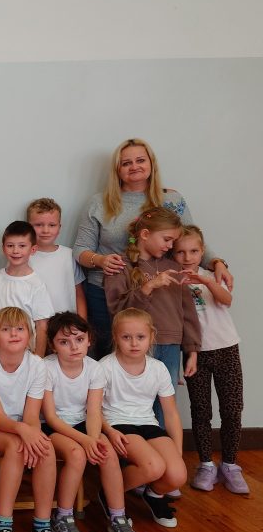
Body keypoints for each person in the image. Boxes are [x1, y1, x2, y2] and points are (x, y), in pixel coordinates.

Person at [73, 138, 231, 358]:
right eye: (126, 163)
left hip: (160, 295)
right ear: (117, 169)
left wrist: (216, 263)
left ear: (151, 164)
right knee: (108, 361)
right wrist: (100, 260)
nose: (134, 166)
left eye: (140, 160)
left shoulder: (171, 199)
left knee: (156, 363)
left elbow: (190, 239)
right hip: (107, 293)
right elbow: (80, 249)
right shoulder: (99, 202)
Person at [41, 312, 141, 532]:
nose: (73, 347)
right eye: (64, 342)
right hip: (53, 426)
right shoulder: (45, 368)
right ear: (53, 346)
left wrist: (94, 440)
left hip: (83, 423)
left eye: (79, 339)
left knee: (107, 452)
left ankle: (118, 518)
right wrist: (85, 441)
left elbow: (94, 411)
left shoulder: (95, 368)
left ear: (89, 340)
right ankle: (63, 517)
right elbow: (51, 418)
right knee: (76, 455)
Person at [0, 307, 66, 532]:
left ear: (30, 335)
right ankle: (3, 525)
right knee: (16, 447)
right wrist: (24, 432)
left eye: (20, 329)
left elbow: (32, 415)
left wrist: (32, 436)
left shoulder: (37, 365)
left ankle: (42, 525)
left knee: (45, 448)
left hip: (24, 424)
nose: (13, 334)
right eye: (6, 329)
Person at [104, 207, 200, 424]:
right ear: (145, 234)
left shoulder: (174, 266)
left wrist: (192, 349)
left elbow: (188, 312)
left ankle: (163, 442)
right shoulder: (120, 266)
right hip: (134, 346)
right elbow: (118, 312)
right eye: (166, 239)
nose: (170, 246)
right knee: (133, 403)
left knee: (165, 406)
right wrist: (148, 287)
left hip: (171, 346)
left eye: (173, 241)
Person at [173, 226, 248, 494]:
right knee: (201, 410)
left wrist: (206, 282)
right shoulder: (172, 282)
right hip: (195, 353)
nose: (187, 257)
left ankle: (230, 465)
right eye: (180, 252)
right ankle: (206, 465)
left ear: (202, 252)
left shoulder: (213, 276)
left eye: (194, 251)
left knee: (232, 408)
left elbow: (226, 300)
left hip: (226, 348)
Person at [100, 309, 188, 528]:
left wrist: (177, 450)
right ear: (115, 337)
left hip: (148, 424)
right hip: (118, 424)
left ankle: (154, 494)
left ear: (151, 337)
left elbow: (170, 413)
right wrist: (109, 431)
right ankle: (110, 492)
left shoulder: (158, 368)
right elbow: (92, 410)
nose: (134, 343)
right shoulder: (105, 367)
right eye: (126, 337)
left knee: (177, 475)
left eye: (140, 337)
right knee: (153, 467)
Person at [0, 221, 54, 356]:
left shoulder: (36, 284)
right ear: (3, 248)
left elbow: (42, 325)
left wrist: (38, 359)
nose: (16, 251)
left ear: (33, 249)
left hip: (26, 352)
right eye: (10, 246)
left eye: (22, 246)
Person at [28, 198, 87, 317]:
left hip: (66, 323)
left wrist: (83, 323)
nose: (45, 230)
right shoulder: (22, 257)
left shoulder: (69, 255)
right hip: (34, 322)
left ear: (59, 228)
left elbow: (79, 294)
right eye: (38, 225)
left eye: (52, 225)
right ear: (28, 227)